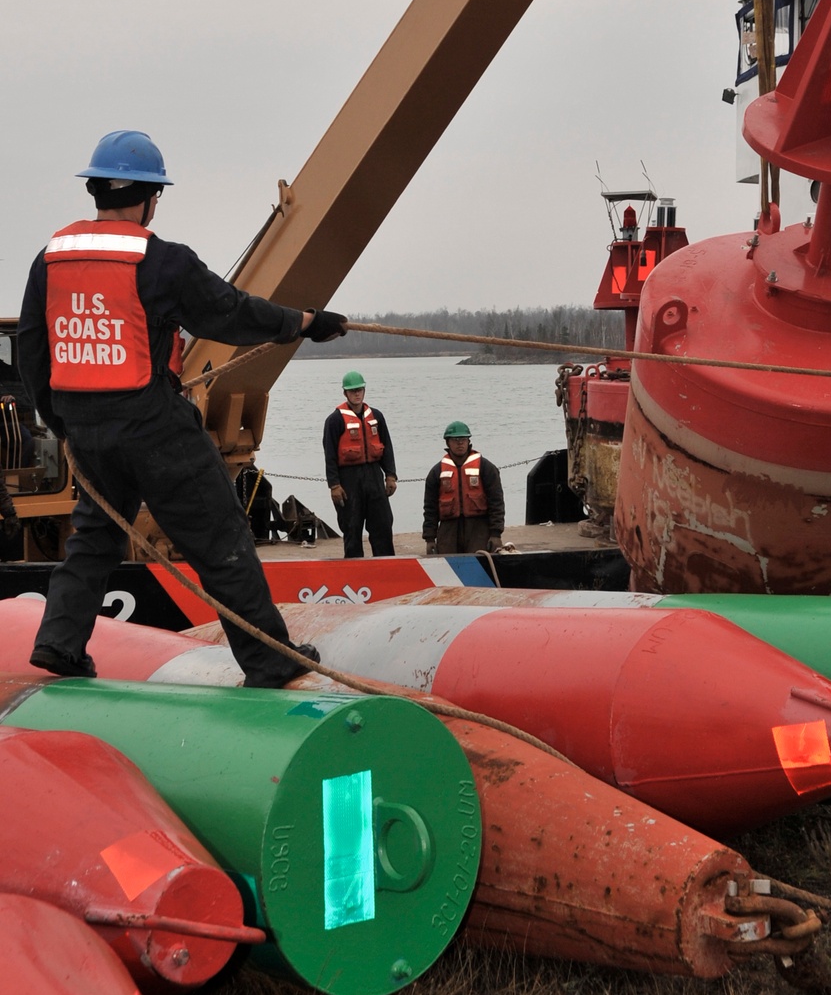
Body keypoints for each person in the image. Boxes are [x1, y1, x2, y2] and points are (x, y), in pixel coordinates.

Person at [18, 129, 348, 685]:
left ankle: (59, 644)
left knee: (95, 534)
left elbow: (33, 347)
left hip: (87, 430)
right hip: (154, 430)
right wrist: (305, 324)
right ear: (149, 197)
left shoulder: (49, 259)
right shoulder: (161, 260)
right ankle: (267, 661)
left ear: (96, 190)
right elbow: (229, 313)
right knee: (220, 537)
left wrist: (63, 422)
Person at [322, 370, 397, 556]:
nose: (356, 394)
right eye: (352, 390)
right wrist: (334, 485)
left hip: (373, 475)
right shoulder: (335, 420)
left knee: (383, 524)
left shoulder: (377, 417)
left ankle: (387, 565)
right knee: (351, 526)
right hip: (348, 479)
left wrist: (390, 475)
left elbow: (386, 447)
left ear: (364, 391)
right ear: (345, 393)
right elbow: (330, 454)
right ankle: (354, 570)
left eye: (360, 390)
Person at [423, 420, 505, 555]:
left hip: (478, 528)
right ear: (447, 443)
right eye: (455, 439)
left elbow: (497, 502)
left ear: (469, 441)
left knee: (479, 567)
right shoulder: (436, 472)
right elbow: (430, 508)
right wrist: (430, 538)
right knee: (448, 567)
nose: (460, 443)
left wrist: (496, 534)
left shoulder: (486, 468)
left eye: (463, 439)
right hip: (448, 530)